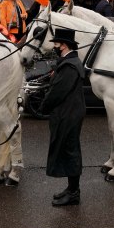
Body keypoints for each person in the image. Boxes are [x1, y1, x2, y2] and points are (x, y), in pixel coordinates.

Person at [40, 28, 86, 207]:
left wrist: (43, 106)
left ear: (64, 45)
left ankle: (74, 193)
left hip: (68, 114)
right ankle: (71, 189)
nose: (55, 47)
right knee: (68, 149)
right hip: (69, 113)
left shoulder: (70, 65)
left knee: (70, 150)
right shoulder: (70, 62)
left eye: (57, 44)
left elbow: (57, 92)